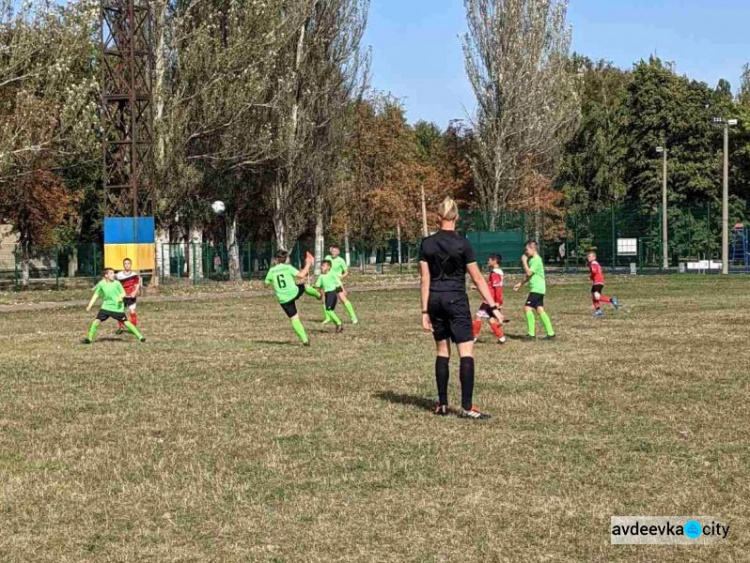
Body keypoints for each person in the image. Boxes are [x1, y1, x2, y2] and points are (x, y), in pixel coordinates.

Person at [420, 196, 501, 420]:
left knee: (442, 352)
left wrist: (424, 311)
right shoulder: (463, 243)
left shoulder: (426, 244)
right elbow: (477, 278)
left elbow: (424, 280)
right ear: (457, 217)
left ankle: (443, 404)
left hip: (435, 300)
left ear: (438, 217)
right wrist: (493, 306)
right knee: (466, 353)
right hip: (456, 299)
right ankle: (466, 407)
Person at [264, 250, 320, 346]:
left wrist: (269, 281)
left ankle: (305, 340)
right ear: (285, 260)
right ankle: (318, 295)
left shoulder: (271, 271)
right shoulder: (288, 268)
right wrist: (308, 264)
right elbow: (301, 275)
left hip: (283, 299)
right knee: (305, 286)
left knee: (294, 318)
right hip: (294, 292)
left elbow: (266, 284)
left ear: (276, 259)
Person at [84, 268, 145, 344]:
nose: (113, 275)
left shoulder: (117, 283)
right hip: (106, 307)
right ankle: (89, 339)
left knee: (125, 322)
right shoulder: (101, 284)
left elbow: (123, 293)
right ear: (106, 275)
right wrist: (90, 305)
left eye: (113, 273)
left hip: (117, 308)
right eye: (111, 273)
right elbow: (96, 295)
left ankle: (140, 337)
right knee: (96, 321)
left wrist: (120, 297)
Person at [513, 241, 556, 341]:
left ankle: (531, 335)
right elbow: (530, 275)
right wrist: (520, 284)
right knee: (540, 310)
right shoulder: (533, 260)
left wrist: (524, 261)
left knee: (527, 308)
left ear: (533, 249)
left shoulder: (536, 260)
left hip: (537, 288)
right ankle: (551, 333)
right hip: (539, 288)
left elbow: (528, 272)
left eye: (527, 250)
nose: (525, 252)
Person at [472, 254, 506, 344]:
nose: (488, 261)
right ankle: (501, 337)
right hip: (491, 299)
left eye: (489, 259)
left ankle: (473, 337)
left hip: (490, 300)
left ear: (494, 261)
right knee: (491, 319)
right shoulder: (497, 272)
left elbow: (497, 288)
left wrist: (497, 302)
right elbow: (492, 286)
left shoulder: (495, 273)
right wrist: (478, 287)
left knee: (478, 316)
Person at [322, 245, 358, 324]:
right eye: (332, 251)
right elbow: (324, 267)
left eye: (335, 251)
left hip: (336, 283)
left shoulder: (341, 260)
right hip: (328, 282)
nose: (333, 252)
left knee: (343, 298)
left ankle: (353, 317)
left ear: (338, 252)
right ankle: (328, 318)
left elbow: (346, 272)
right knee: (324, 299)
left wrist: (340, 277)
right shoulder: (327, 257)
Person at [587, 251, 619, 317]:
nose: (589, 258)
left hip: (598, 282)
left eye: (590, 256)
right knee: (594, 296)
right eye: (588, 256)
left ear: (594, 257)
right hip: (598, 281)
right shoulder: (596, 263)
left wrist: (592, 273)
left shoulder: (593, 263)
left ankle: (611, 299)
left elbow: (594, 271)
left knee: (596, 296)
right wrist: (592, 276)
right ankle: (598, 310)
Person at [315, 259, 344, 333]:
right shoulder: (321, 276)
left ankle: (339, 323)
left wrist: (342, 290)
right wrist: (317, 293)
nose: (322, 267)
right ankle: (338, 326)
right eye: (321, 266)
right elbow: (317, 285)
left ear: (329, 267)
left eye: (324, 266)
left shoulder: (332, 274)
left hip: (332, 293)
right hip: (327, 294)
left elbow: (338, 283)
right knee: (330, 311)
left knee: (328, 310)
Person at [116, 258, 141, 334]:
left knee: (132, 312)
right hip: (122, 296)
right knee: (120, 312)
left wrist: (135, 292)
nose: (127, 265)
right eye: (125, 264)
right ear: (123, 265)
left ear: (131, 264)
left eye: (128, 263)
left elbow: (137, 285)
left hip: (131, 296)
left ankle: (133, 328)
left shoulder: (134, 275)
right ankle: (121, 327)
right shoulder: (119, 275)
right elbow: (116, 285)